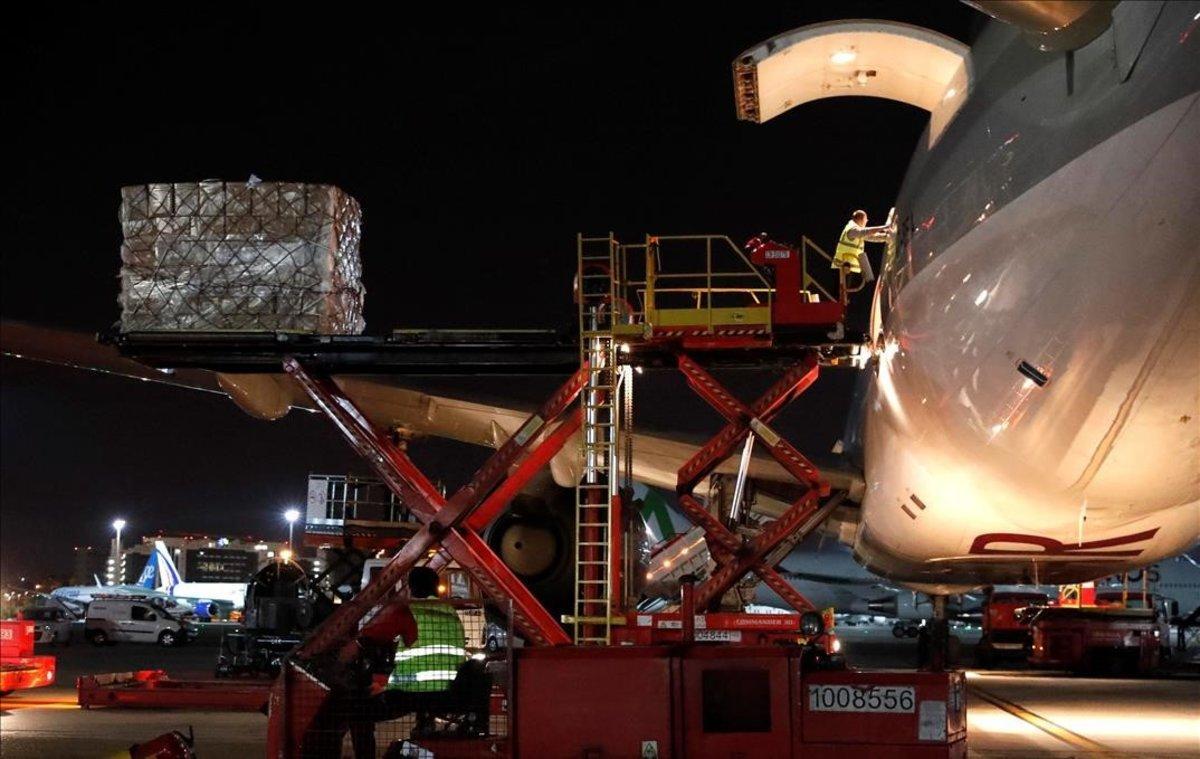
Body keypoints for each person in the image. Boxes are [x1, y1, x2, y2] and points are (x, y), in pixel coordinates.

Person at [306, 567, 490, 758]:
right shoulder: (451, 613)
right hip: (448, 691)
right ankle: (423, 723)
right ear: (436, 587)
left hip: (414, 693)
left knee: (358, 711)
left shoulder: (409, 611)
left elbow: (368, 638)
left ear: (410, 588)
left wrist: (342, 656)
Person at [832, 209, 895, 285]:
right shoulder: (852, 229)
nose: (867, 221)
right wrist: (884, 227)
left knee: (846, 292)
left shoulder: (856, 230)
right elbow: (865, 232)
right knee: (841, 292)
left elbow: (871, 236)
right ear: (861, 219)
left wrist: (886, 237)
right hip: (842, 269)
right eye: (866, 219)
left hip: (849, 269)